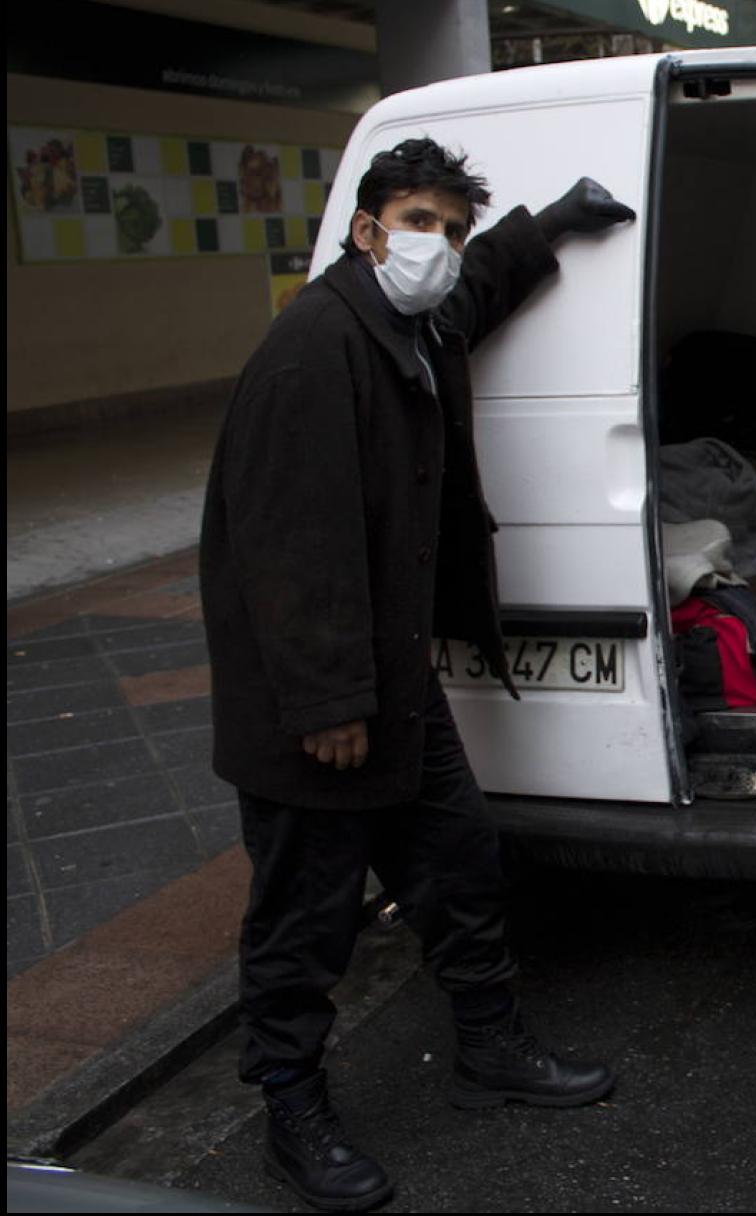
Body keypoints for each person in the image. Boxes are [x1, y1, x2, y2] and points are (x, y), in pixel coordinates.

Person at [199, 138, 635, 1212]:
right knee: (307, 918)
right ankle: (292, 1113)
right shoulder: (315, 347)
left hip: (390, 683)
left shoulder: (411, 316)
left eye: (452, 225)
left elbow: (476, 288)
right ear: (366, 229)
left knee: (459, 859)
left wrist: (555, 221)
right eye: (418, 223)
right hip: (321, 703)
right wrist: (328, 702)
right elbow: (289, 547)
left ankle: (489, 1048)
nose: (437, 247)